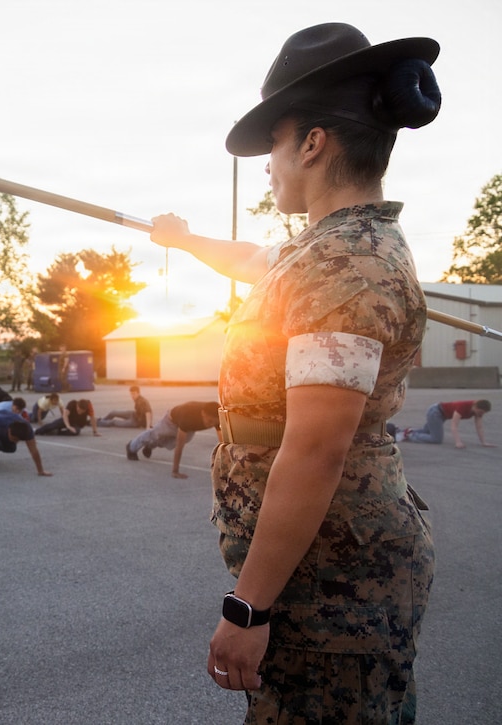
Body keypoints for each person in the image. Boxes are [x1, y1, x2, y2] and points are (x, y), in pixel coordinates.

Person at [147, 23, 441, 720]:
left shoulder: (348, 265)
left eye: (275, 142)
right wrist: (183, 241)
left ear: (312, 144)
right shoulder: (327, 249)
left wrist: (248, 606)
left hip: (336, 586)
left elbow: (316, 449)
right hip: (322, 571)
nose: (267, 165)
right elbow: (253, 260)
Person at [125, 401, 220, 479]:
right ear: (203, 414)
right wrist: (175, 471)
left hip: (190, 428)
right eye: (209, 421)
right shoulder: (188, 416)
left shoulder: (218, 417)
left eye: (214, 423)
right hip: (170, 421)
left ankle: (150, 445)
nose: (211, 425)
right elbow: (179, 446)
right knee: (154, 434)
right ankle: (131, 447)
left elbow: (223, 441)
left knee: (168, 442)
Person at [398, 399, 494, 448]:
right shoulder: (463, 406)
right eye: (481, 412)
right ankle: (409, 435)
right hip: (436, 412)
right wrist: (458, 442)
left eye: (483, 413)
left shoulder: (477, 412)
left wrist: (483, 442)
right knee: (436, 439)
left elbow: (479, 427)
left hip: (440, 414)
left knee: (427, 431)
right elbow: (454, 425)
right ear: (476, 407)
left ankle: (405, 431)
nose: (481, 414)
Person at [35, 398, 99, 437]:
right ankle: (36, 431)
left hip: (77, 424)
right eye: (79, 410)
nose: (80, 412)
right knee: (53, 425)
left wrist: (95, 432)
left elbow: (92, 418)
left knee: (75, 432)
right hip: (67, 419)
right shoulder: (72, 403)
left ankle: (57, 432)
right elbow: (65, 415)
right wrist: (68, 426)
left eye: (82, 412)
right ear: (77, 405)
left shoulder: (89, 406)